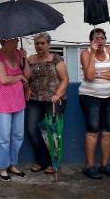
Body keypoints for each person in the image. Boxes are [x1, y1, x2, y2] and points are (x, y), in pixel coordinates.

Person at [79, 28, 110, 179]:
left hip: (109, 96)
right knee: (93, 130)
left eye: (102, 38)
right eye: (96, 38)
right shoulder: (85, 53)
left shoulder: (109, 51)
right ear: (91, 41)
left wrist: (100, 74)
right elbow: (89, 75)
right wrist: (92, 52)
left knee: (109, 131)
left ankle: (105, 165)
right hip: (90, 96)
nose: (99, 41)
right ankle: (89, 166)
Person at [26, 33, 69, 174]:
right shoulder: (30, 60)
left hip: (53, 100)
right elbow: (25, 79)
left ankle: (52, 163)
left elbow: (65, 79)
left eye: (42, 43)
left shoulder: (56, 58)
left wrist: (58, 94)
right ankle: (41, 160)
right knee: (32, 129)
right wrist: (27, 88)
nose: (39, 46)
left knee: (52, 131)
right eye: (37, 43)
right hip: (35, 100)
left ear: (48, 44)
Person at [0, 37, 31, 181]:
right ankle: (2, 167)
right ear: (3, 41)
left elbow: (27, 75)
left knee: (18, 135)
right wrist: (19, 76)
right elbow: (3, 79)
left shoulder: (18, 54)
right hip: (2, 102)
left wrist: (25, 60)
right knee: (3, 138)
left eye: (15, 39)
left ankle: (12, 164)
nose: (15, 41)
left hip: (18, 100)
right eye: (12, 39)